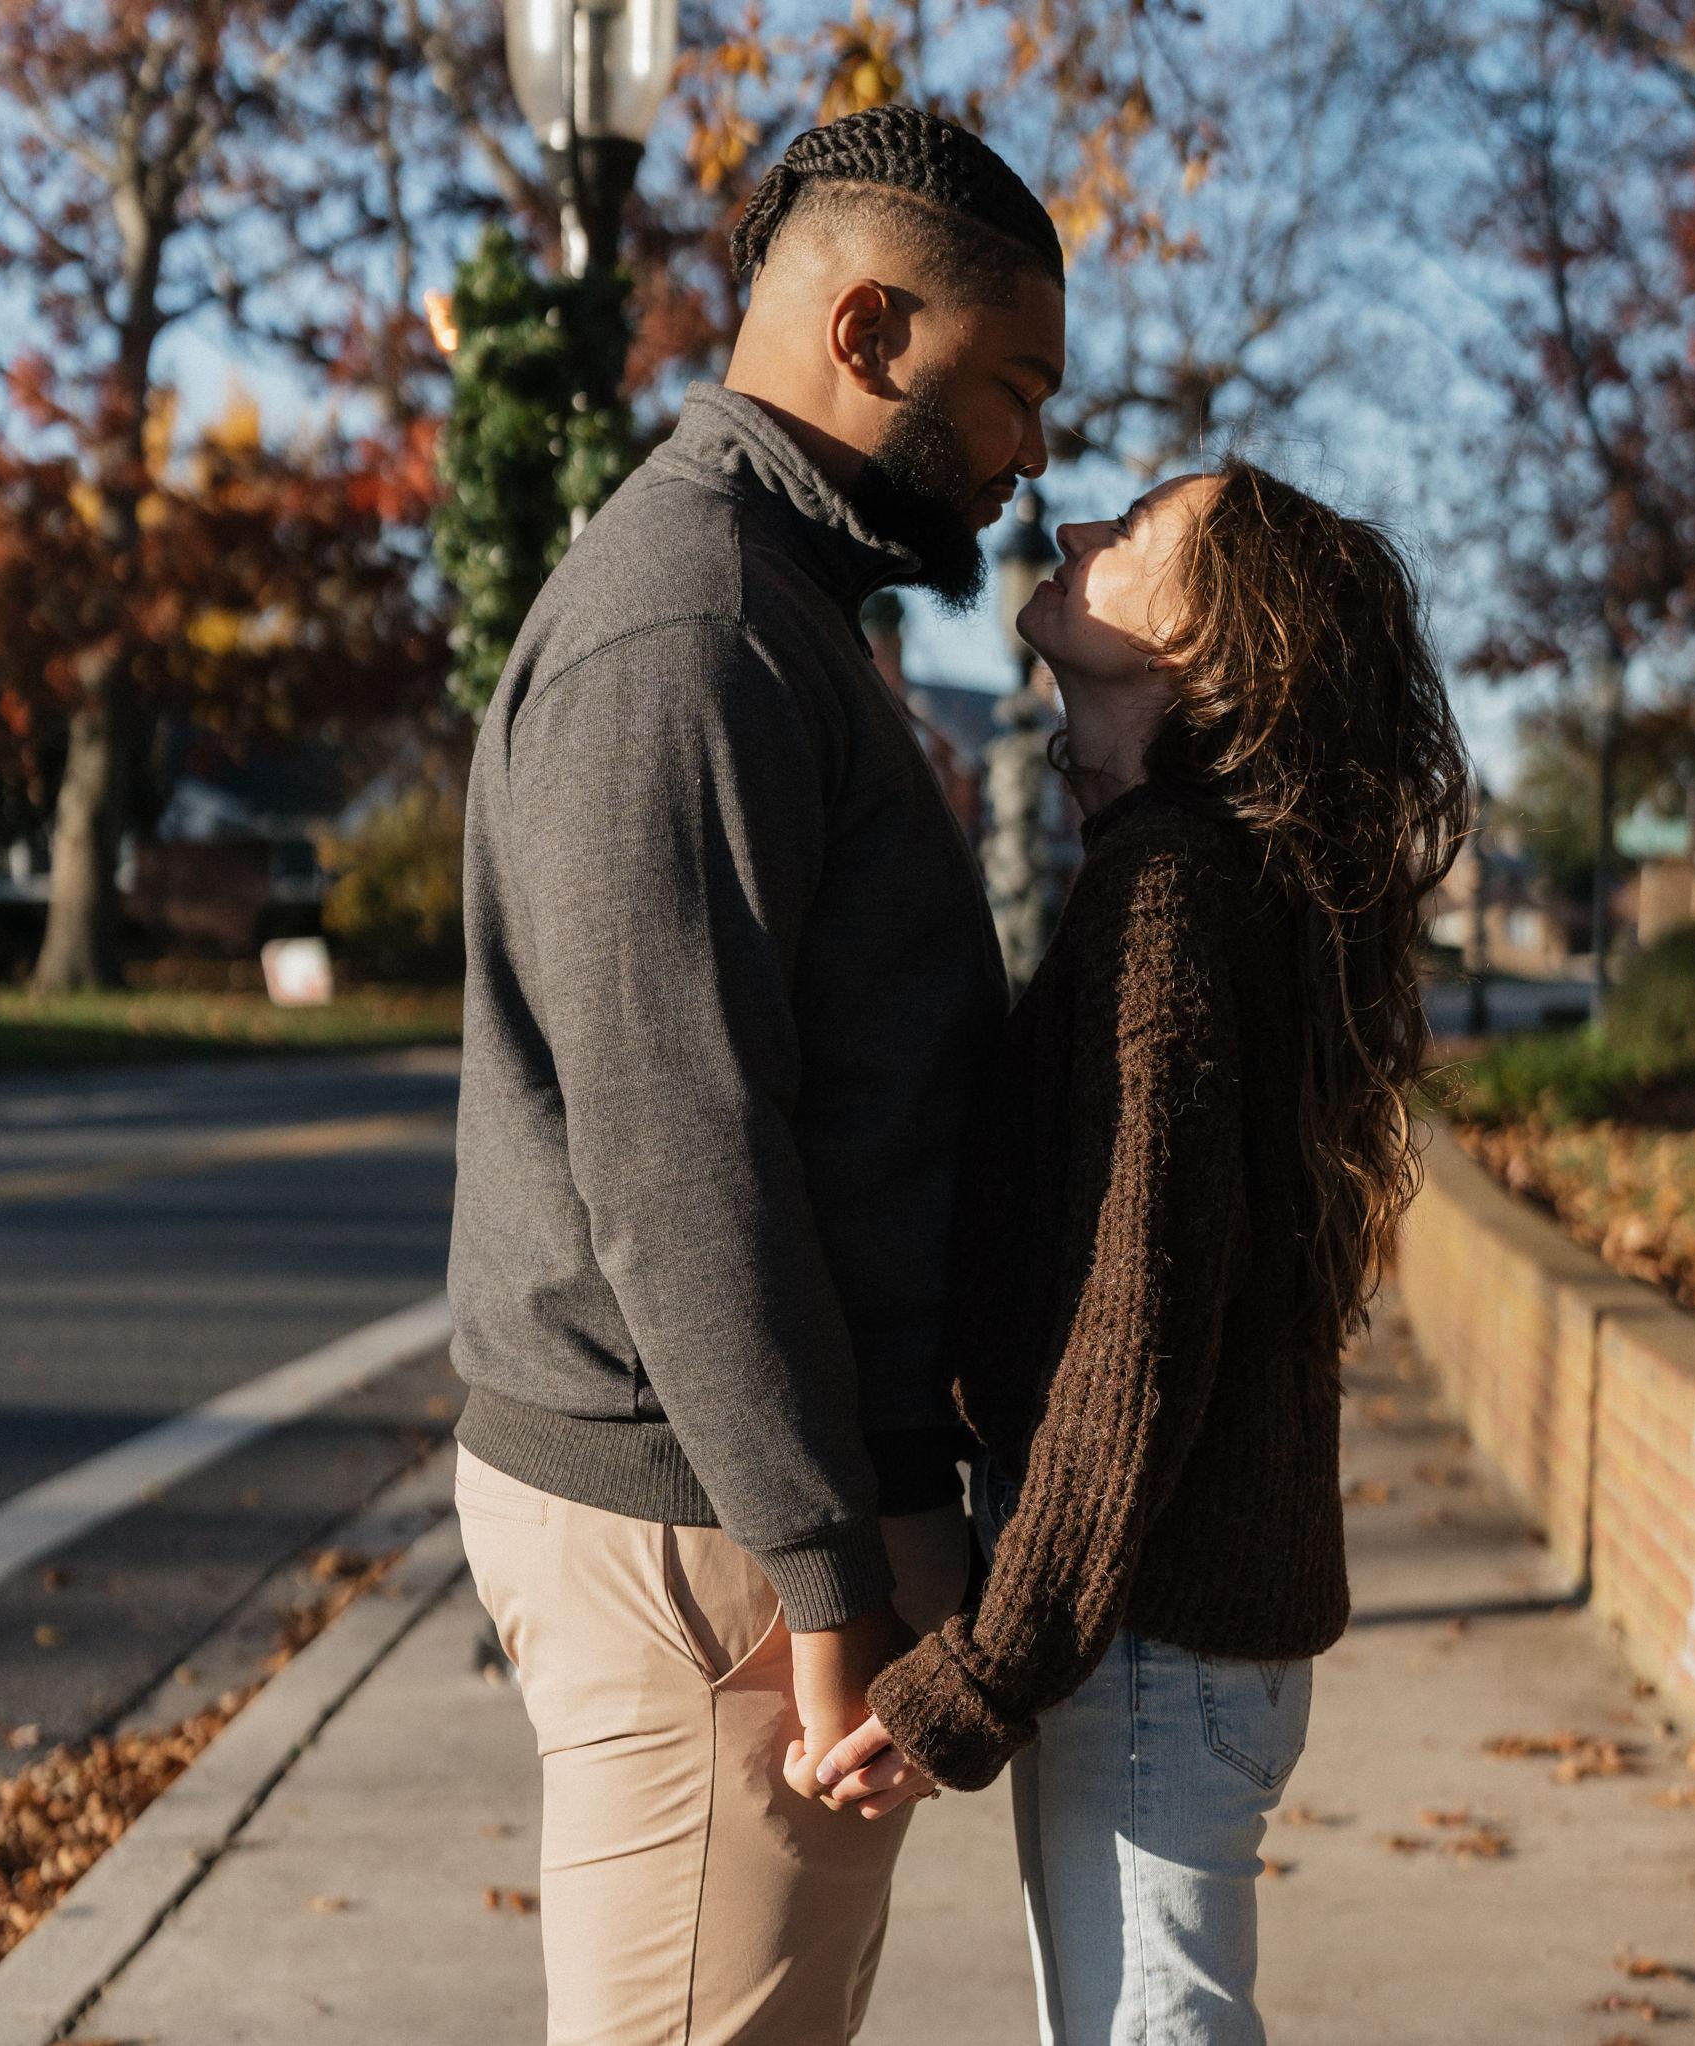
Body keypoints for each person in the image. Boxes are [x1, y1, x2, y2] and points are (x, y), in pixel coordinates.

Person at [443, 106, 1065, 2045]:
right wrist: (823, 1582)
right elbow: (677, 1150)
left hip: (736, 1507)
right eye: (1013, 384)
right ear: (870, 333)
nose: (1032, 445)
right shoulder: (692, 631)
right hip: (711, 1526)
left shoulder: (772, 613)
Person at [817, 462, 1473, 2043]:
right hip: (1163, 1632)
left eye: (1134, 535)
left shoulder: (1174, 899)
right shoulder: (1182, 878)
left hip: (1154, 1637)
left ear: (1214, 645)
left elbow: (1135, 1338)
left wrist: (981, 1671)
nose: (1073, 532)